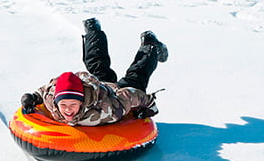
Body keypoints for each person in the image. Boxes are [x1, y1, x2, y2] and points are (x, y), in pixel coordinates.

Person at [21, 18, 168, 126]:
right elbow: (46, 91)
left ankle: (150, 44)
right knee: (95, 63)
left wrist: (150, 107)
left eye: (73, 104)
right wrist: (32, 97)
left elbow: (131, 95)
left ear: (81, 101)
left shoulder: (107, 111)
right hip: (97, 86)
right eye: (63, 104)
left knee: (136, 76)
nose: (67, 110)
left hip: (115, 94)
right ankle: (93, 31)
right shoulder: (51, 101)